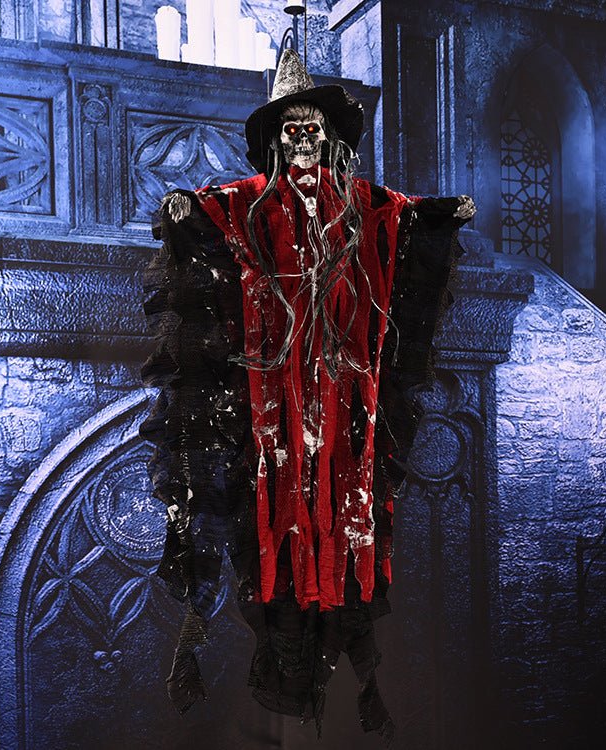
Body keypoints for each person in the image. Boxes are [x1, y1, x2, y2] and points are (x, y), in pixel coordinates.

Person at [140, 49, 476, 742]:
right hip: (272, 392)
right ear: (277, 137)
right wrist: (182, 207)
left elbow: (402, 214)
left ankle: (340, 643)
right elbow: (209, 208)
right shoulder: (250, 200)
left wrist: (440, 214)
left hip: (344, 389)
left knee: (347, 508)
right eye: (291, 128)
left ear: (327, 135)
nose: (302, 138)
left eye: (311, 128)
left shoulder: (358, 202)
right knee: (271, 509)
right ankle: (273, 643)